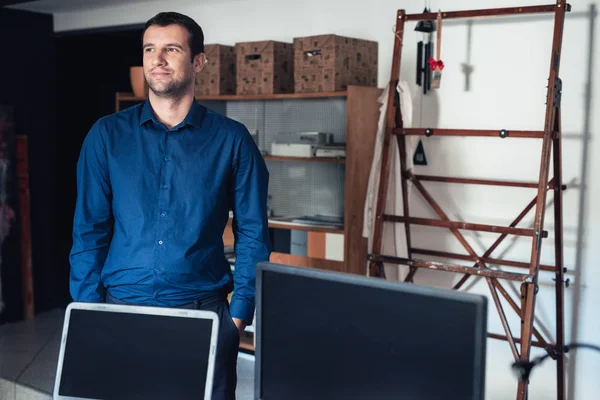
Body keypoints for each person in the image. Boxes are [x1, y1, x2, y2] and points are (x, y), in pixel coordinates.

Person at [69, 11, 271, 400]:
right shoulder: (106, 136)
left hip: (203, 314)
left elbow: (254, 234)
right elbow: (89, 230)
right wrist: (88, 311)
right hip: (120, 311)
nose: (157, 60)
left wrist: (239, 315)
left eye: (171, 49)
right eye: (149, 49)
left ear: (198, 62)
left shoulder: (232, 141)